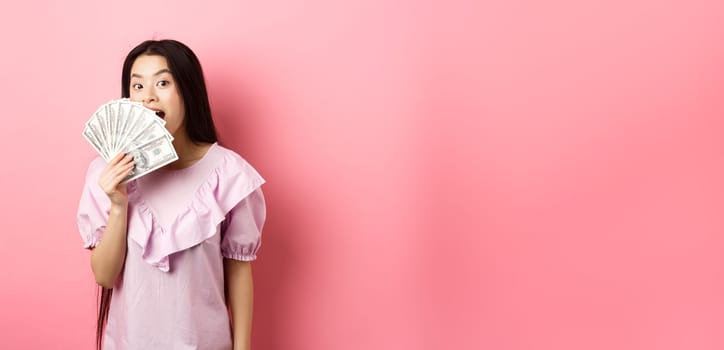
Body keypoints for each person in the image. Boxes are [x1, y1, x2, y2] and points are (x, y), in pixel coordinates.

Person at [76, 39, 266, 350]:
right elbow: (105, 277)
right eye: (137, 86)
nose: (148, 96)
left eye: (162, 83)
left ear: (188, 93)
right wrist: (118, 205)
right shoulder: (105, 174)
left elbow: (239, 272)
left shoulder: (229, 174)